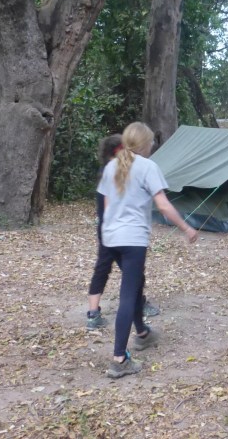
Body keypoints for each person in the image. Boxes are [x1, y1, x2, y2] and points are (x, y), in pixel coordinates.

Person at [98, 122, 198, 379]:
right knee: (128, 293)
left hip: (111, 236)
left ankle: (142, 332)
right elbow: (163, 206)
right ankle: (119, 358)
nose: (153, 146)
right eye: (151, 142)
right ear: (144, 144)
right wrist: (186, 228)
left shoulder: (112, 166)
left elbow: (107, 204)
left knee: (137, 282)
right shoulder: (147, 167)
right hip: (132, 239)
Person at [86, 134, 160, 330]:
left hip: (107, 229)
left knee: (102, 269)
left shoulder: (110, 170)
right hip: (118, 231)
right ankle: (139, 310)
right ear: (118, 150)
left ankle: (93, 314)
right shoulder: (114, 171)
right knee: (133, 275)